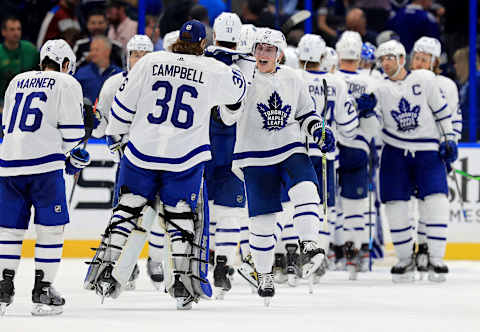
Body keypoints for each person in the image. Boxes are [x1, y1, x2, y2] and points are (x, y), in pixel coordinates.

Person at [86, 20, 247, 310]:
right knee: (182, 222)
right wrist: (229, 65)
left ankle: (107, 273)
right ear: (202, 44)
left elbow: (122, 106)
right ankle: (183, 284)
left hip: (141, 152)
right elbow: (236, 97)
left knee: (127, 213)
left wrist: (118, 136)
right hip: (184, 157)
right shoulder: (212, 69)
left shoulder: (151, 62)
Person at [220, 28, 335, 304]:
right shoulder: (243, 77)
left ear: (280, 54)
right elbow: (226, 116)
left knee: (307, 188)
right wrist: (235, 96)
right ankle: (263, 273)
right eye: (259, 48)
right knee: (263, 221)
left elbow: (306, 114)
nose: (262, 54)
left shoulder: (292, 78)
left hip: (289, 148)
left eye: (269, 50)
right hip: (254, 156)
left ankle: (308, 242)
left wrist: (319, 130)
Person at [0, 39, 90, 316]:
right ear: (65, 65)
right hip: (44, 167)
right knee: (50, 229)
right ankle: (43, 290)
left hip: (9, 163)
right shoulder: (66, 83)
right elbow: (74, 135)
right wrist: (73, 158)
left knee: (9, 231)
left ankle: (3, 289)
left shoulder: (17, 80)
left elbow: (6, 125)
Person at [357, 39, 455, 283]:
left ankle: (436, 258)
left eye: (391, 57)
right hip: (394, 151)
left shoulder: (425, 80)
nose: (386, 62)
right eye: (382, 59)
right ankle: (404, 258)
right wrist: (366, 113)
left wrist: (449, 139)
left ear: (402, 58)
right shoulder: (378, 89)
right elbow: (371, 130)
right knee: (396, 205)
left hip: (427, 150)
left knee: (436, 201)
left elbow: (442, 111)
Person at [90, 34, 165, 291]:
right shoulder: (113, 84)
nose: (139, 59)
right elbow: (101, 127)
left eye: (144, 55)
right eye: (135, 54)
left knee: (161, 215)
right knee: (124, 215)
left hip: (158, 160)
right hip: (129, 163)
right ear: (127, 57)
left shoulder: (163, 84)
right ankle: (123, 264)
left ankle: (157, 262)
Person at [296, 33, 359, 282]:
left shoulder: (294, 78)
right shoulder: (337, 83)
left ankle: (290, 256)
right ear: (322, 56)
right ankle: (319, 257)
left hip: (296, 153)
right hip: (325, 154)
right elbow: (349, 127)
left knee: (295, 206)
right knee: (324, 208)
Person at [203, 12, 251, 299]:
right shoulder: (248, 66)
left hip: (202, 143)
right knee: (231, 210)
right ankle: (223, 264)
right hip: (235, 147)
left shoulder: (202, 60)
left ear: (215, 36)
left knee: (203, 206)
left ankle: (205, 258)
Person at [409, 36, 461, 275]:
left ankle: (429, 247)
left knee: (432, 202)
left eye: (424, 59)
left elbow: (452, 119)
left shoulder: (446, 85)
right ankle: (420, 247)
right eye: (416, 58)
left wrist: (450, 143)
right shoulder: (405, 82)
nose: (419, 62)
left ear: (435, 62)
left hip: (434, 152)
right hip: (410, 152)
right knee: (417, 202)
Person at [333, 31, 380, 279]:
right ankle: (354, 252)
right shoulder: (372, 82)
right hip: (358, 149)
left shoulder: (330, 78)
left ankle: (334, 251)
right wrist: (368, 113)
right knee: (354, 206)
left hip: (331, 148)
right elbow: (374, 130)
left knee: (331, 206)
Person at [0, 17, 39, 107]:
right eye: (12, 29)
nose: (16, 33)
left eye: (18, 29)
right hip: (3, 101)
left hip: (29, 98)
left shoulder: (31, 50)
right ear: (3, 32)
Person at [74, 35, 122, 104]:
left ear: (107, 51)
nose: (92, 53)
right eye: (91, 50)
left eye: (96, 50)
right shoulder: (81, 73)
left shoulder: (119, 74)